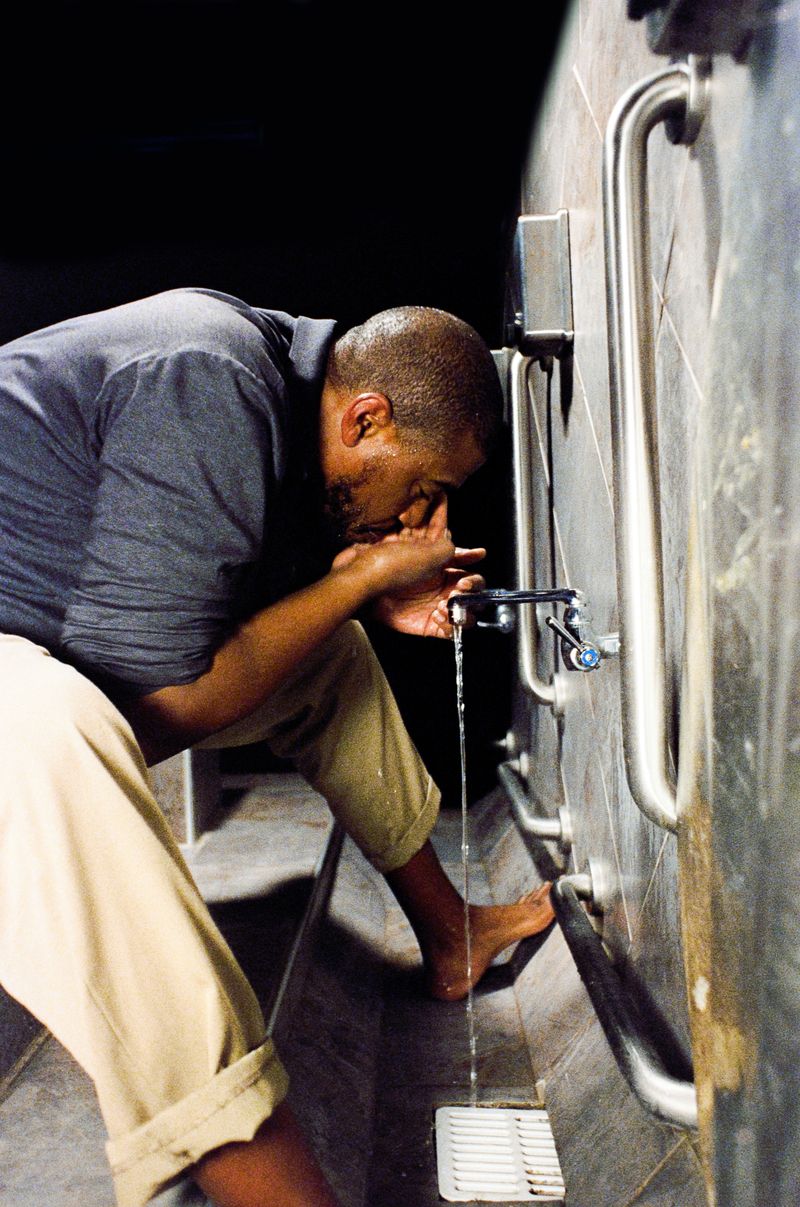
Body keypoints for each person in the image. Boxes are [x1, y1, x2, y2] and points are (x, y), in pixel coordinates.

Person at [0, 288, 554, 1207]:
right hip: (29, 687)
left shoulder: (273, 389)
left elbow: (206, 625)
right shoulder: (209, 382)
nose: (421, 522)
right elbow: (165, 706)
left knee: (323, 653)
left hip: (39, 640)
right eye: (424, 490)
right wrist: (367, 573)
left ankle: (448, 930)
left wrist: (353, 590)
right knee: (50, 733)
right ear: (366, 417)